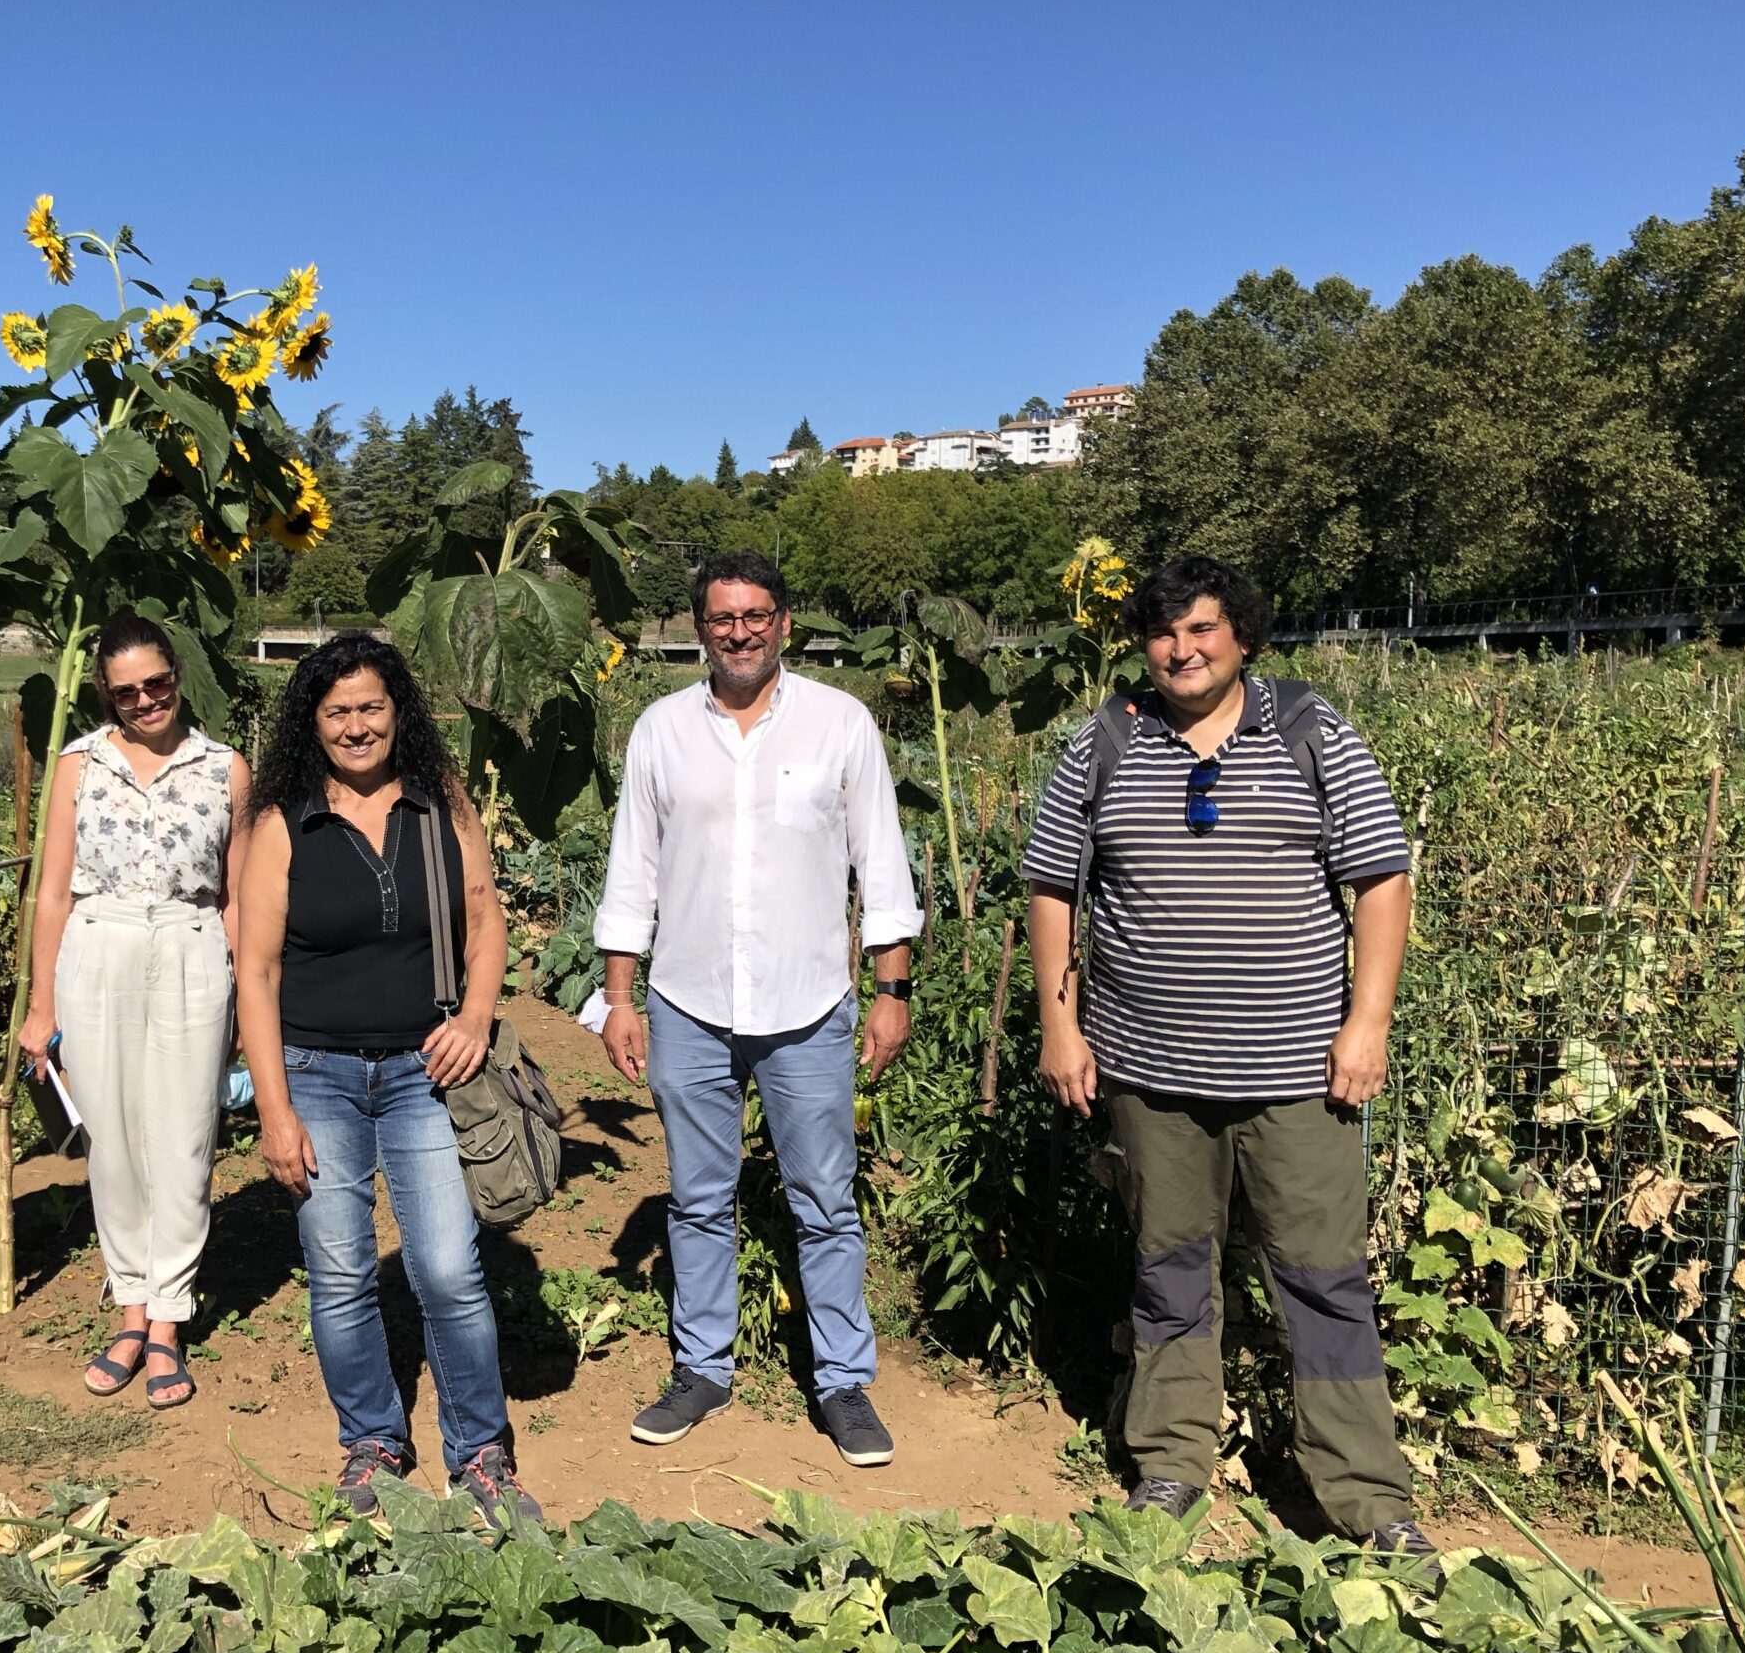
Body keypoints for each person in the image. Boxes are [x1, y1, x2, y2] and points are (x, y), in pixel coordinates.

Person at [1022, 552, 1430, 1552]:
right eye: (1164, 633)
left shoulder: (1309, 732)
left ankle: (1365, 1498)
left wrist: (1366, 1023)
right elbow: (1051, 889)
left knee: (1321, 1277)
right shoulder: (1104, 743)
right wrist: (1060, 1024)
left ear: (1241, 637)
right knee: (1168, 1269)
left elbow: (1379, 878)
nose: (1181, 649)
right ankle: (1169, 1464)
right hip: (1149, 1068)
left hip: (1298, 1071)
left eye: (1202, 629)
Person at [594, 551, 923, 1466]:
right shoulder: (662, 730)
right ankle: (704, 1367)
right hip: (688, 1000)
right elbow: (634, 872)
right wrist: (617, 996)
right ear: (699, 627)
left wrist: (891, 993)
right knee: (698, 1200)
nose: (739, 631)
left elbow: (883, 872)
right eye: (721, 618)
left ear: (785, 621)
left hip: (808, 1003)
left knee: (824, 1199)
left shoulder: (840, 725)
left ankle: (842, 1381)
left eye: (756, 615)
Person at [235, 633, 543, 1529]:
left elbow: (484, 920)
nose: (358, 725)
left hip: (424, 1069)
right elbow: (254, 971)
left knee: (447, 1269)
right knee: (339, 1275)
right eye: (339, 712)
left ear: (397, 711)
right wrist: (274, 1108)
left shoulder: (439, 803)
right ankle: (372, 1438)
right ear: (313, 722)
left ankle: (480, 1452)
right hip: (315, 1073)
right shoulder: (281, 820)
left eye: (373, 707)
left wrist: (476, 1017)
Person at [18, 613, 250, 1411]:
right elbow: (51, 891)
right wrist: (40, 1003)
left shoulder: (225, 768)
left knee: (185, 1135)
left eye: (157, 684)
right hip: (98, 943)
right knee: (113, 1137)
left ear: (177, 677)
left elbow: (237, 897)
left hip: (190, 946)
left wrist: (248, 1008)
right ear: (107, 696)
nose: (145, 701)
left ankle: (168, 1322)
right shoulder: (79, 766)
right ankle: (128, 1309)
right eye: (127, 693)